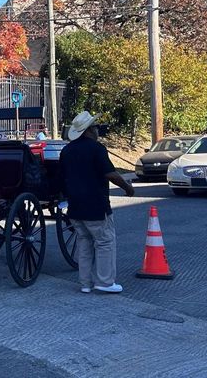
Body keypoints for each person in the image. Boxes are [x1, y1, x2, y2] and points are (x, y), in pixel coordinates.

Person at [59, 111, 135, 294]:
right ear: (89, 130)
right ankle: (105, 281)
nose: (97, 130)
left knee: (84, 242)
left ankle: (85, 283)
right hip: (96, 205)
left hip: (75, 206)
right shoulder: (96, 149)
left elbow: (61, 178)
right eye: (95, 127)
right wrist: (127, 187)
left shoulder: (66, 151)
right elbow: (110, 174)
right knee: (104, 242)